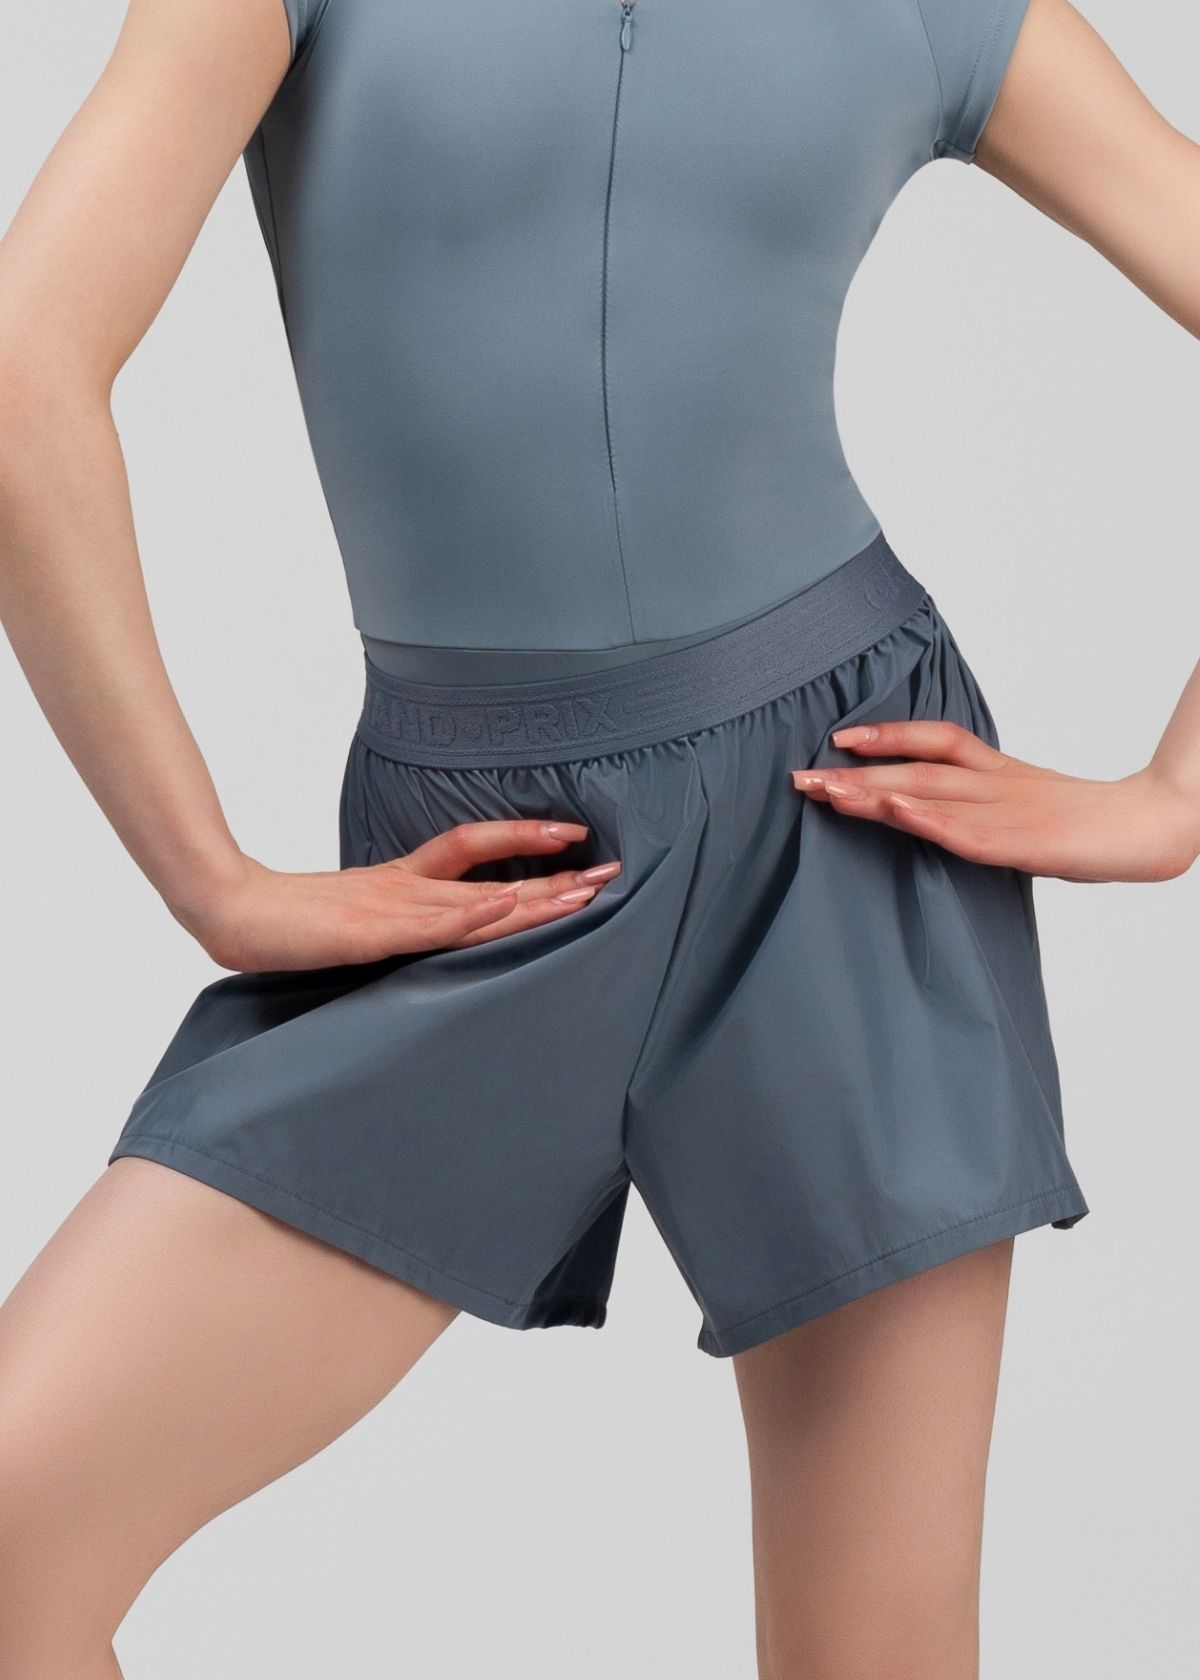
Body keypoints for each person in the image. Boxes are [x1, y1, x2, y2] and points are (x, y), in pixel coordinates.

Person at [0, 0, 1196, 1673]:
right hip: (483, 875)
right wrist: (207, 876)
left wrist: (1173, 797)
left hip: (840, 835)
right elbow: (22, 368)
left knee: (880, 1650)